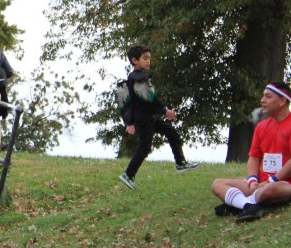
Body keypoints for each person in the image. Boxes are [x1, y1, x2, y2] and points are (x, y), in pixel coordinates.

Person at [118, 45, 198, 190]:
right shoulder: (137, 78)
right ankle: (128, 175)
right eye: (145, 58)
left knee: (171, 132)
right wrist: (164, 111)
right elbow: (149, 99)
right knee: (145, 146)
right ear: (134, 60)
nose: (148, 61)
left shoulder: (139, 77)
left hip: (149, 116)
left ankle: (181, 163)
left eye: (149, 58)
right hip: (144, 118)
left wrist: (131, 121)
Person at [212, 82, 291, 223]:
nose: (262, 100)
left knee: (269, 191)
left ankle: (238, 203)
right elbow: (254, 158)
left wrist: (271, 181)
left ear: (282, 101)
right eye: (263, 96)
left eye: (268, 97)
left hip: (283, 184)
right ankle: (248, 206)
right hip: (261, 183)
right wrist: (253, 181)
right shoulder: (261, 127)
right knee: (217, 184)